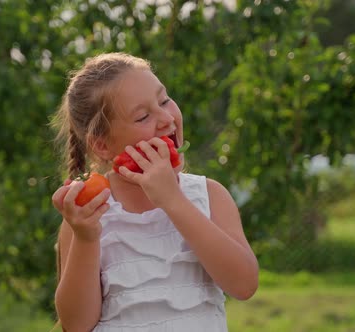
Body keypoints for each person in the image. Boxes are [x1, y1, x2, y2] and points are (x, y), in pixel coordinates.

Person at [50, 52, 258, 332]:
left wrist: (173, 200)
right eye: (143, 116)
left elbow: (244, 285)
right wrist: (86, 238)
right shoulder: (88, 213)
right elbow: (77, 325)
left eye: (164, 100)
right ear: (102, 146)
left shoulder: (209, 196)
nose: (165, 118)